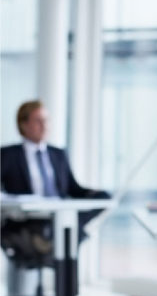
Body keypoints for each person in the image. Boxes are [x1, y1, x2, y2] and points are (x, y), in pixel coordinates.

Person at [1, 100, 109, 253]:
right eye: (38, 121)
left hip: (58, 212)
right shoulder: (8, 155)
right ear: (23, 125)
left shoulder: (58, 154)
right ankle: (65, 232)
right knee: (64, 234)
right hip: (28, 218)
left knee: (101, 199)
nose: (44, 126)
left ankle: (67, 228)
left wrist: (100, 195)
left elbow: (73, 188)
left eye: (46, 120)